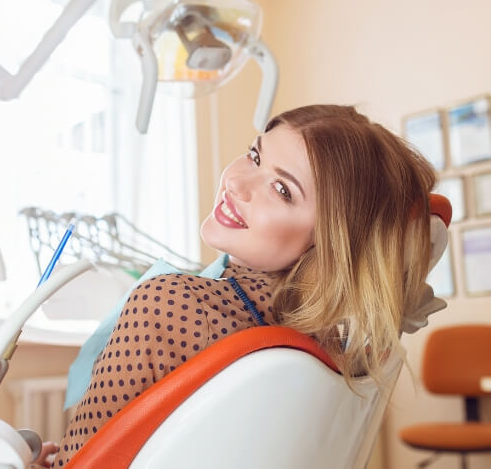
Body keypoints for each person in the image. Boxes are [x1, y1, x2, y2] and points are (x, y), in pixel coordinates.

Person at [31, 104, 436, 468]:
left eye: (282, 189)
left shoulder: (171, 304)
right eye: (255, 155)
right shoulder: (328, 347)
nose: (237, 183)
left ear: (329, 241)